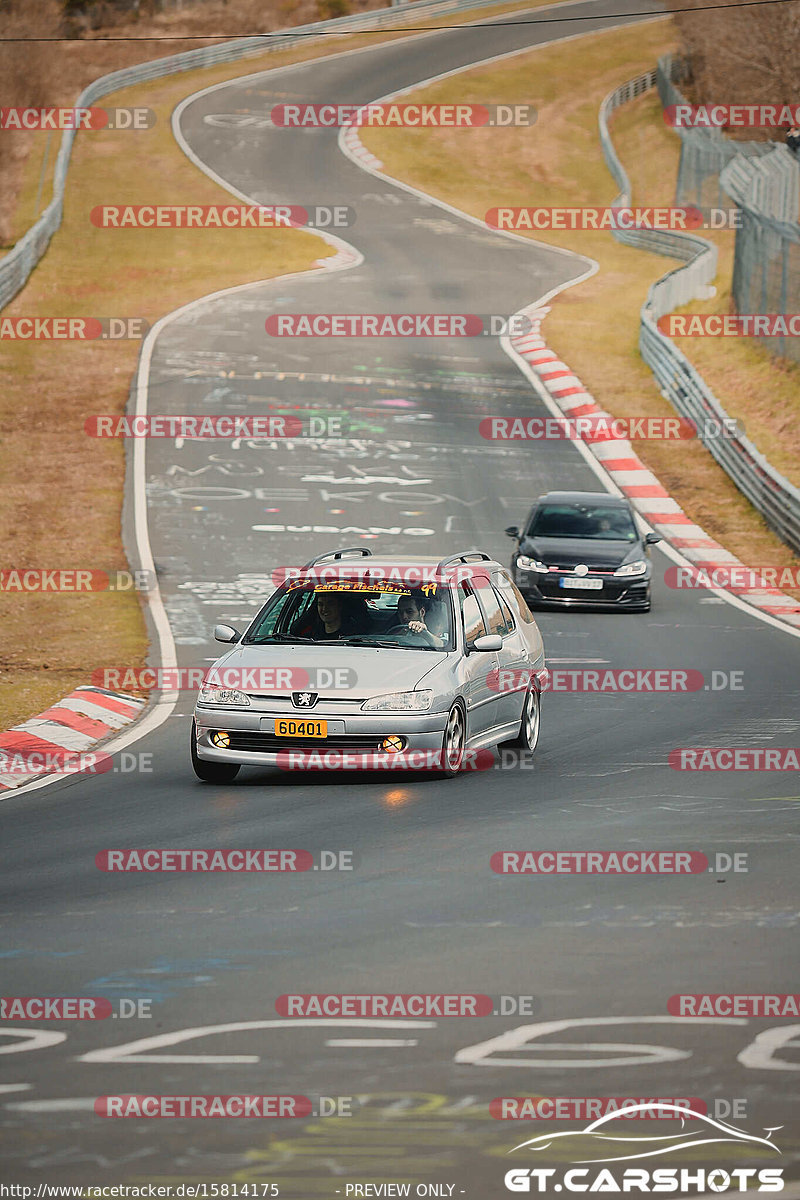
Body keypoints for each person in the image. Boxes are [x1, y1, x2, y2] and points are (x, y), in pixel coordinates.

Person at [292, 589, 367, 640]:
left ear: (339, 606)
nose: (324, 609)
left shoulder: (355, 637)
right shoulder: (309, 637)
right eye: (320, 604)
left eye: (330, 604)